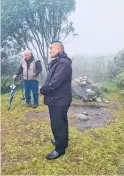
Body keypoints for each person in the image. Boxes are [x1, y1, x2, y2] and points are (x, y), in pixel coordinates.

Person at [40, 41, 72, 160]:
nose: (50, 51)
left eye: (51, 48)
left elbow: (54, 83)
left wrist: (43, 90)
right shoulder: (58, 62)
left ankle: (59, 150)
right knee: (62, 123)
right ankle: (63, 142)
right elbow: (52, 79)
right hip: (58, 99)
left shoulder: (63, 64)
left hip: (59, 100)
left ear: (58, 49)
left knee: (58, 125)